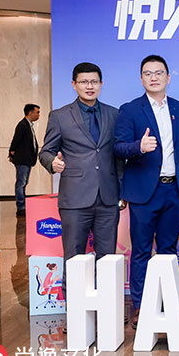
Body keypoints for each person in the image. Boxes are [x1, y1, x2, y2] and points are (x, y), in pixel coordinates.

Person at [114, 54, 179, 329]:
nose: (154, 77)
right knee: (141, 251)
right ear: (141, 79)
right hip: (143, 192)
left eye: (159, 73)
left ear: (168, 77)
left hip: (173, 190)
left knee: (169, 251)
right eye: (148, 73)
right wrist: (138, 147)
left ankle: (166, 302)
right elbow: (118, 147)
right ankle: (140, 306)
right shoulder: (129, 110)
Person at [39, 62, 123, 307]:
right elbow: (46, 151)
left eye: (94, 82)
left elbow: (118, 156)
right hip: (75, 199)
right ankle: (75, 311)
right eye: (84, 82)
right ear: (74, 84)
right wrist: (52, 163)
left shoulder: (114, 114)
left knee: (107, 258)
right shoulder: (60, 116)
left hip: (108, 198)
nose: (89, 86)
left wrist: (122, 190)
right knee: (74, 257)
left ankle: (107, 309)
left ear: (101, 84)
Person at [9, 103, 40, 216]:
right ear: (30, 113)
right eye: (37, 112)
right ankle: (21, 207)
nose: (38, 115)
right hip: (22, 159)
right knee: (21, 183)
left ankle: (23, 205)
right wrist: (12, 151)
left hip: (27, 159)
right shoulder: (22, 125)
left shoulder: (28, 125)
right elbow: (16, 140)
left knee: (23, 182)